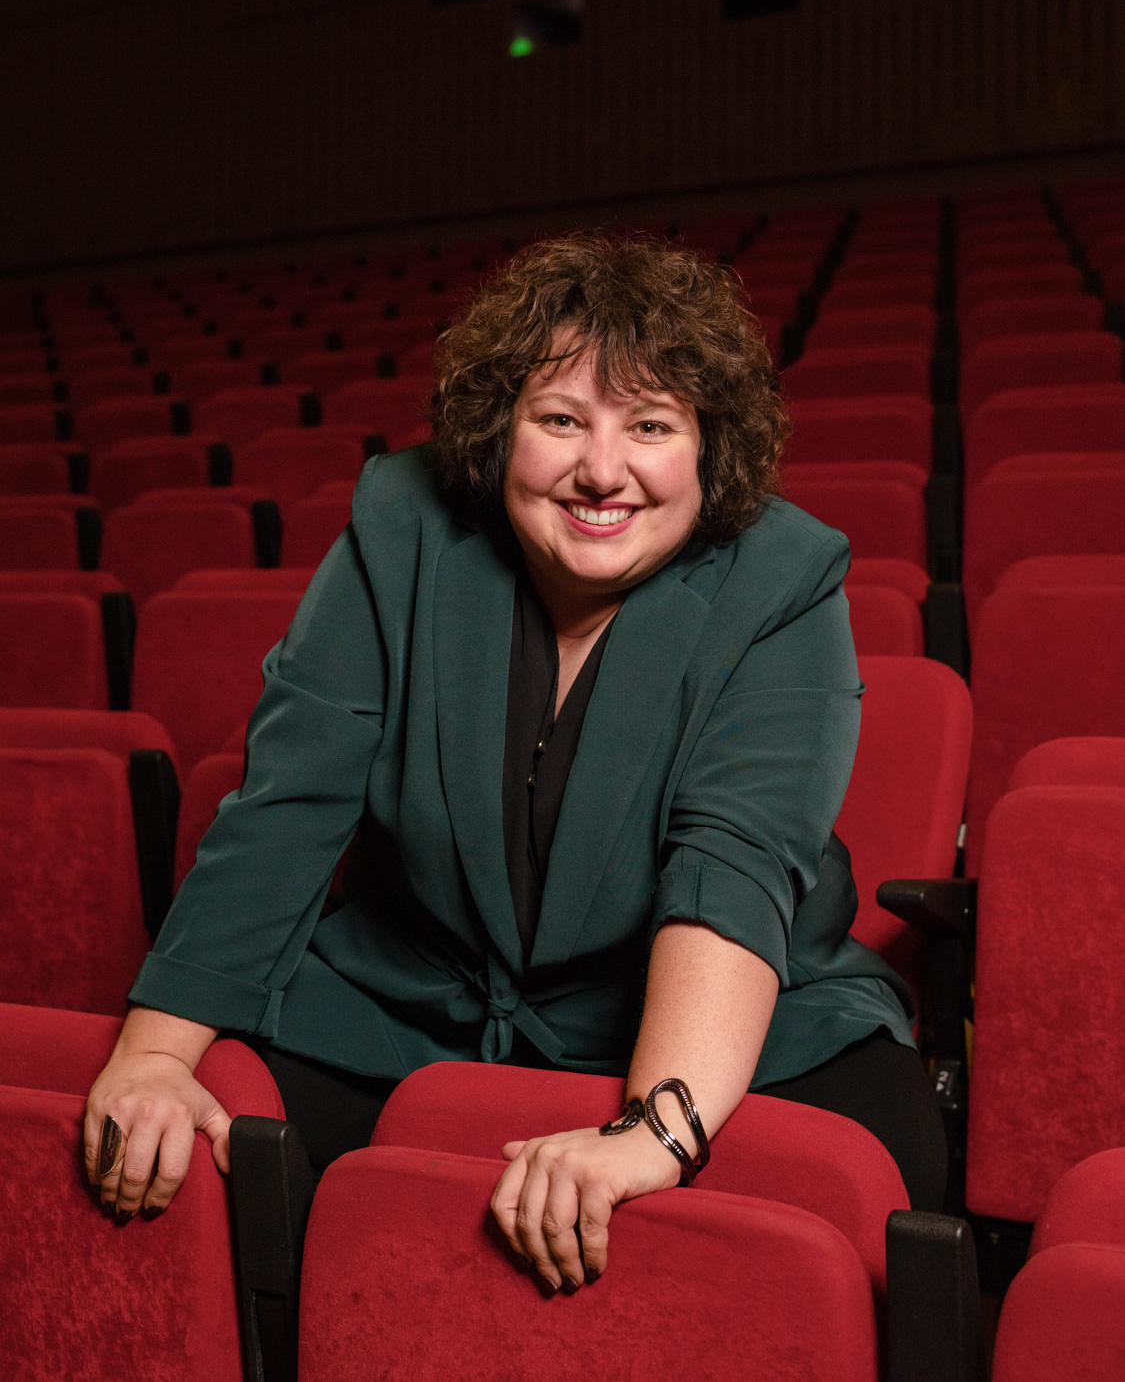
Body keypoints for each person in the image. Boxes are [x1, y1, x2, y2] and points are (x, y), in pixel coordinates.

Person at [85, 232, 945, 1295]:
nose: (602, 471)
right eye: (560, 420)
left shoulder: (781, 574)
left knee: (871, 1183)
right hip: (413, 1006)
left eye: (650, 425)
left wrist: (654, 1132)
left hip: (732, 1025)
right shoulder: (400, 524)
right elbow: (287, 805)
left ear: (709, 448)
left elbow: (733, 864)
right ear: (499, 432)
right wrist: (153, 1055)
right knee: (189, 1153)